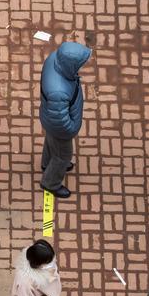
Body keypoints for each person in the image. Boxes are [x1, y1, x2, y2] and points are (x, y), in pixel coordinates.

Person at [39, 41, 92, 198]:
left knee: (51, 141)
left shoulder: (54, 59)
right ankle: (50, 183)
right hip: (59, 128)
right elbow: (60, 122)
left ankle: (46, 164)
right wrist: (71, 129)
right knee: (63, 156)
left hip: (49, 119)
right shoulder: (58, 92)